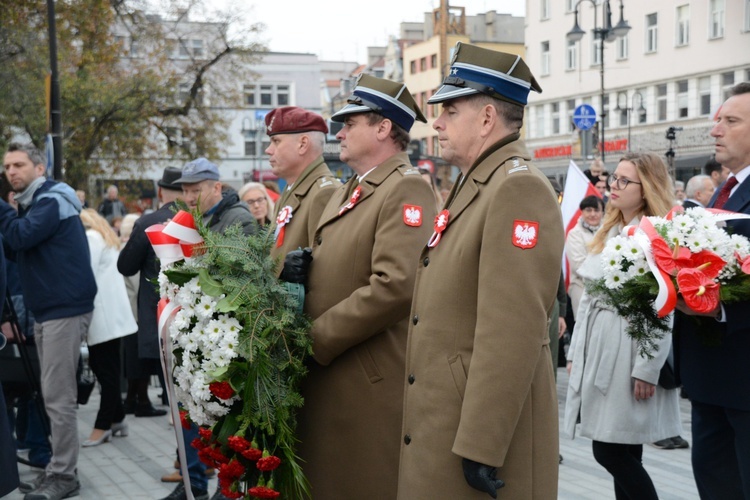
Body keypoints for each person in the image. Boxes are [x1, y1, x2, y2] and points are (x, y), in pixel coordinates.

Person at [398, 43, 564, 499]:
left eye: (450, 110)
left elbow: (511, 330)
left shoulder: (517, 188)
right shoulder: (481, 181)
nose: (437, 123)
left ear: (487, 118)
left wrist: (482, 443)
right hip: (448, 415)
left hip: (475, 433)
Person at [296, 74, 436, 499]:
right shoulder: (350, 189)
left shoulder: (406, 186)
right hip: (335, 374)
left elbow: (396, 285)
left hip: (363, 380)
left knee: (359, 485)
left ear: (382, 128)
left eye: (350, 123)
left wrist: (313, 338)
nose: (339, 132)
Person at [564, 152, 682, 500]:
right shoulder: (613, 227)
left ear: (645, 189)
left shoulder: (654, 233)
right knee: (626, 448)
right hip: (605, 345)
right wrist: (576, 351)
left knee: (610, 450)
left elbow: (664, 305)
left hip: (629, 348)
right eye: (614, 178)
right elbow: (588, 299)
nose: (613, 186)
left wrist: (647, 367)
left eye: (623, 180)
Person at [0, 142, 97, 500]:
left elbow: (20, 236)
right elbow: (17, 246)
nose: (11, 171)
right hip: (50, 309)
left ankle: (64, 475)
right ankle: (59, 468)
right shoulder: (35, 204)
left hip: (63, 309)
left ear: (39, 169)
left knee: (58, 397)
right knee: (51, 394)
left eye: (19, 164)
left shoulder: (52, 198)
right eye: (7, 166)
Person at [158, 159, 256, 500]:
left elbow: (237, 275)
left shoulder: (238, 219)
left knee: (222, 414)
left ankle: (225, 488)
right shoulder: (198, 217)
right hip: (200, 327)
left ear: (217, 186)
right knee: (198, 410)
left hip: (225, 332)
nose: (188, 196)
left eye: (195, 189)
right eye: (184, 190)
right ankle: (195, 481)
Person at [675, 82, 750, 499]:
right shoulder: (728, 188)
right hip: (712, 377)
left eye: (730, 121)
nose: (716, 130)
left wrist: (717, 309)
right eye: (717, 120)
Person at [79, 209, 137, 447]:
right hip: (113, 315)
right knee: (108, 368)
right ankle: (118, 419)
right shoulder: (105, 237)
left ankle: (102, 426)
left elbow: (85, 275)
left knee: (106, 372)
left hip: (102, 315)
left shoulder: (91, 238)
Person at [263, 106, 340, 272]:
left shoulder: (324, 193)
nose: (268, 150)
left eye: (276, 141)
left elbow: (324, 270)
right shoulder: (292, 189)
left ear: (303, 144)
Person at [565, 195, 605, 319]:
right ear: (581, 212)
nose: (593, 214)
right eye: (588, 210)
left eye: (596, 210)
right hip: (581, 286)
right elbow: (579, 265)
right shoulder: (574, 234)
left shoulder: (608, 231)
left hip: (606, 287)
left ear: (602, 213)